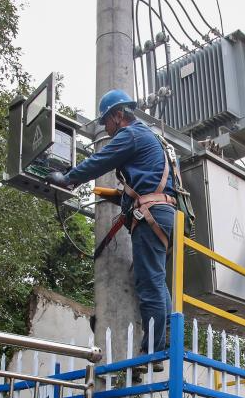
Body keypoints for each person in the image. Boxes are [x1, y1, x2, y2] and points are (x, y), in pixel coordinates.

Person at [48, 89, 178, 366]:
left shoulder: (130, 135)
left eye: (106, 121)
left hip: (151, 214)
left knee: (149, 282)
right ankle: (164, 341)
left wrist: (68, 179)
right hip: (164, 212)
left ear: (118, 115)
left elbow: (100, 161)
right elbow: (144, 184)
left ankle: (152, 353)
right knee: (158, 281)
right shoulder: (149, 137)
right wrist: (108, 195)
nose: (105, 129)